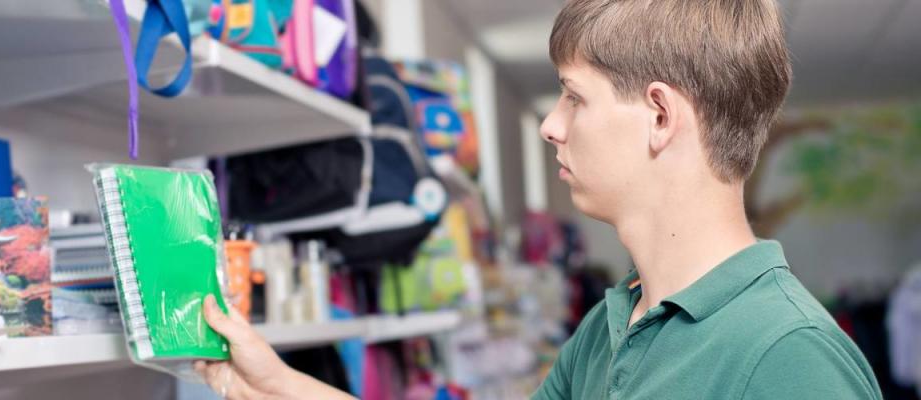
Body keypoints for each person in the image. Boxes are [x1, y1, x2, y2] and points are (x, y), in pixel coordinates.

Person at [195, 0, 884, 398]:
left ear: (660, 117)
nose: (552, 124)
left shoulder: (791, 359)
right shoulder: (616, 323)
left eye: (574, 97)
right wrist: (276, 381)